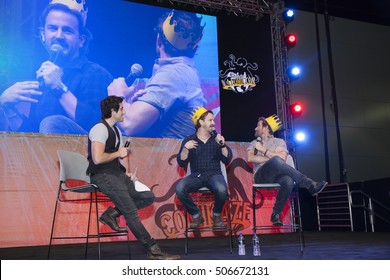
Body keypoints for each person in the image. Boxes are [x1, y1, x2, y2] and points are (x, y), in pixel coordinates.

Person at [87, 95, 180, 260]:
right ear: (113, 111)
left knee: (147, 196)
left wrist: (124, 172)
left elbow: (113, 159)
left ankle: (112, 214)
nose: (125, 111)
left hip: (116, 174)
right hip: (102, 176)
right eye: (122, 109)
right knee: (131, 213)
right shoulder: (99, 129)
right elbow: (98, 158)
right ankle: (153, 250)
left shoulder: (116, 130)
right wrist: (118, 153)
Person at [0, 0, 112, 134]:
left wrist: (58, 87)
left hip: (84, 153)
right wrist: (7, 107)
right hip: (47, 152)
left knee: (53, 122)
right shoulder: (43, 75)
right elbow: (35, 137)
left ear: (81, 40)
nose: (59, 36)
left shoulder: (95, 74)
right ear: (42, 34)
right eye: (53, 28)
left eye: (67, 30)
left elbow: (100, 126)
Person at [107, 10, 206, 139]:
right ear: (194, 48)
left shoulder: (172, 75)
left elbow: (130, 126)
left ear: (159, 40)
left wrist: (117, 95)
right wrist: (130, 105)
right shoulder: (183, 71)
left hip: (161, 157)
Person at [247, 114, 328, 226]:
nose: (255, 128)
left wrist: (264, 150)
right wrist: (270, 158)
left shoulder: (280, 142)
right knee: (275, 160)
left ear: (266, 128)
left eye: (258, 125)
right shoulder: (253, 143)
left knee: (288, 180)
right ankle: (309, 184)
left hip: (277, 176)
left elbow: (282, 158)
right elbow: (250, 157)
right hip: (261, 176)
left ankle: (276, 214)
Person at [175, 107, 232, 229]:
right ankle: (196, 215)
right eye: (210, 120)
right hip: (196, 175)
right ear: (201, 122)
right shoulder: (189, 140)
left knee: (222, 189)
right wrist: (185, 149)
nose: (213, 123)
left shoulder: (216, 139)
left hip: (214, 174)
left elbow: (227, 159)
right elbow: (181, 162)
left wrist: (222, 145)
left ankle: (216, 215)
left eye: (213, 120)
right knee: (179, 189)